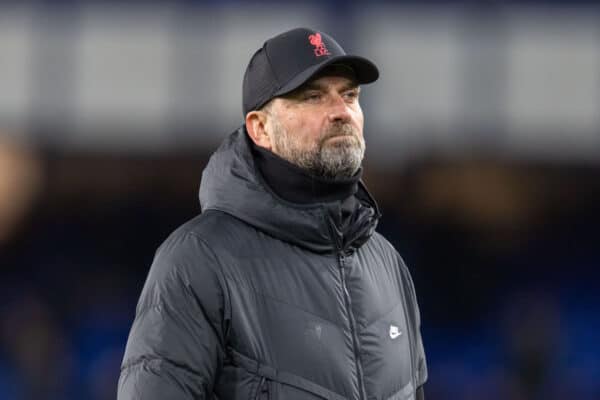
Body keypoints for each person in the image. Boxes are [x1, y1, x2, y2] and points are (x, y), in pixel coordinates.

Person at [118, 27, 427, 400]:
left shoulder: (387, 263)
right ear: (260, 128)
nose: (341, 112)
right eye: (313, 96)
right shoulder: (198, 258)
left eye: (349, 95)